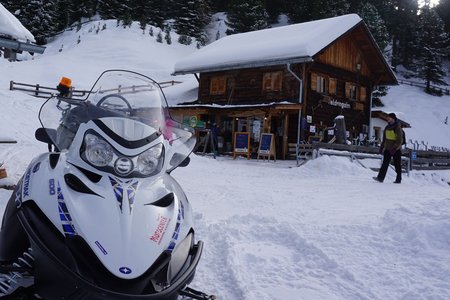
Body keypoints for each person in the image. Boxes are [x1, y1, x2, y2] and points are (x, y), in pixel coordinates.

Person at [373, 113, 403, 183]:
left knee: (397, 164)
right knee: (385, 163)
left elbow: (399, 140)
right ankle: (380, 178)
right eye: (387, 118)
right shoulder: (387, 127)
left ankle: (398, 179)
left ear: (393, 118)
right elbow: (385, 139)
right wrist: (382, 147)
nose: (387, 119)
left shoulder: (397, 127)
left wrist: (395, 148)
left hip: (396, 149)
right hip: (388, 148)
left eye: (389, 118)